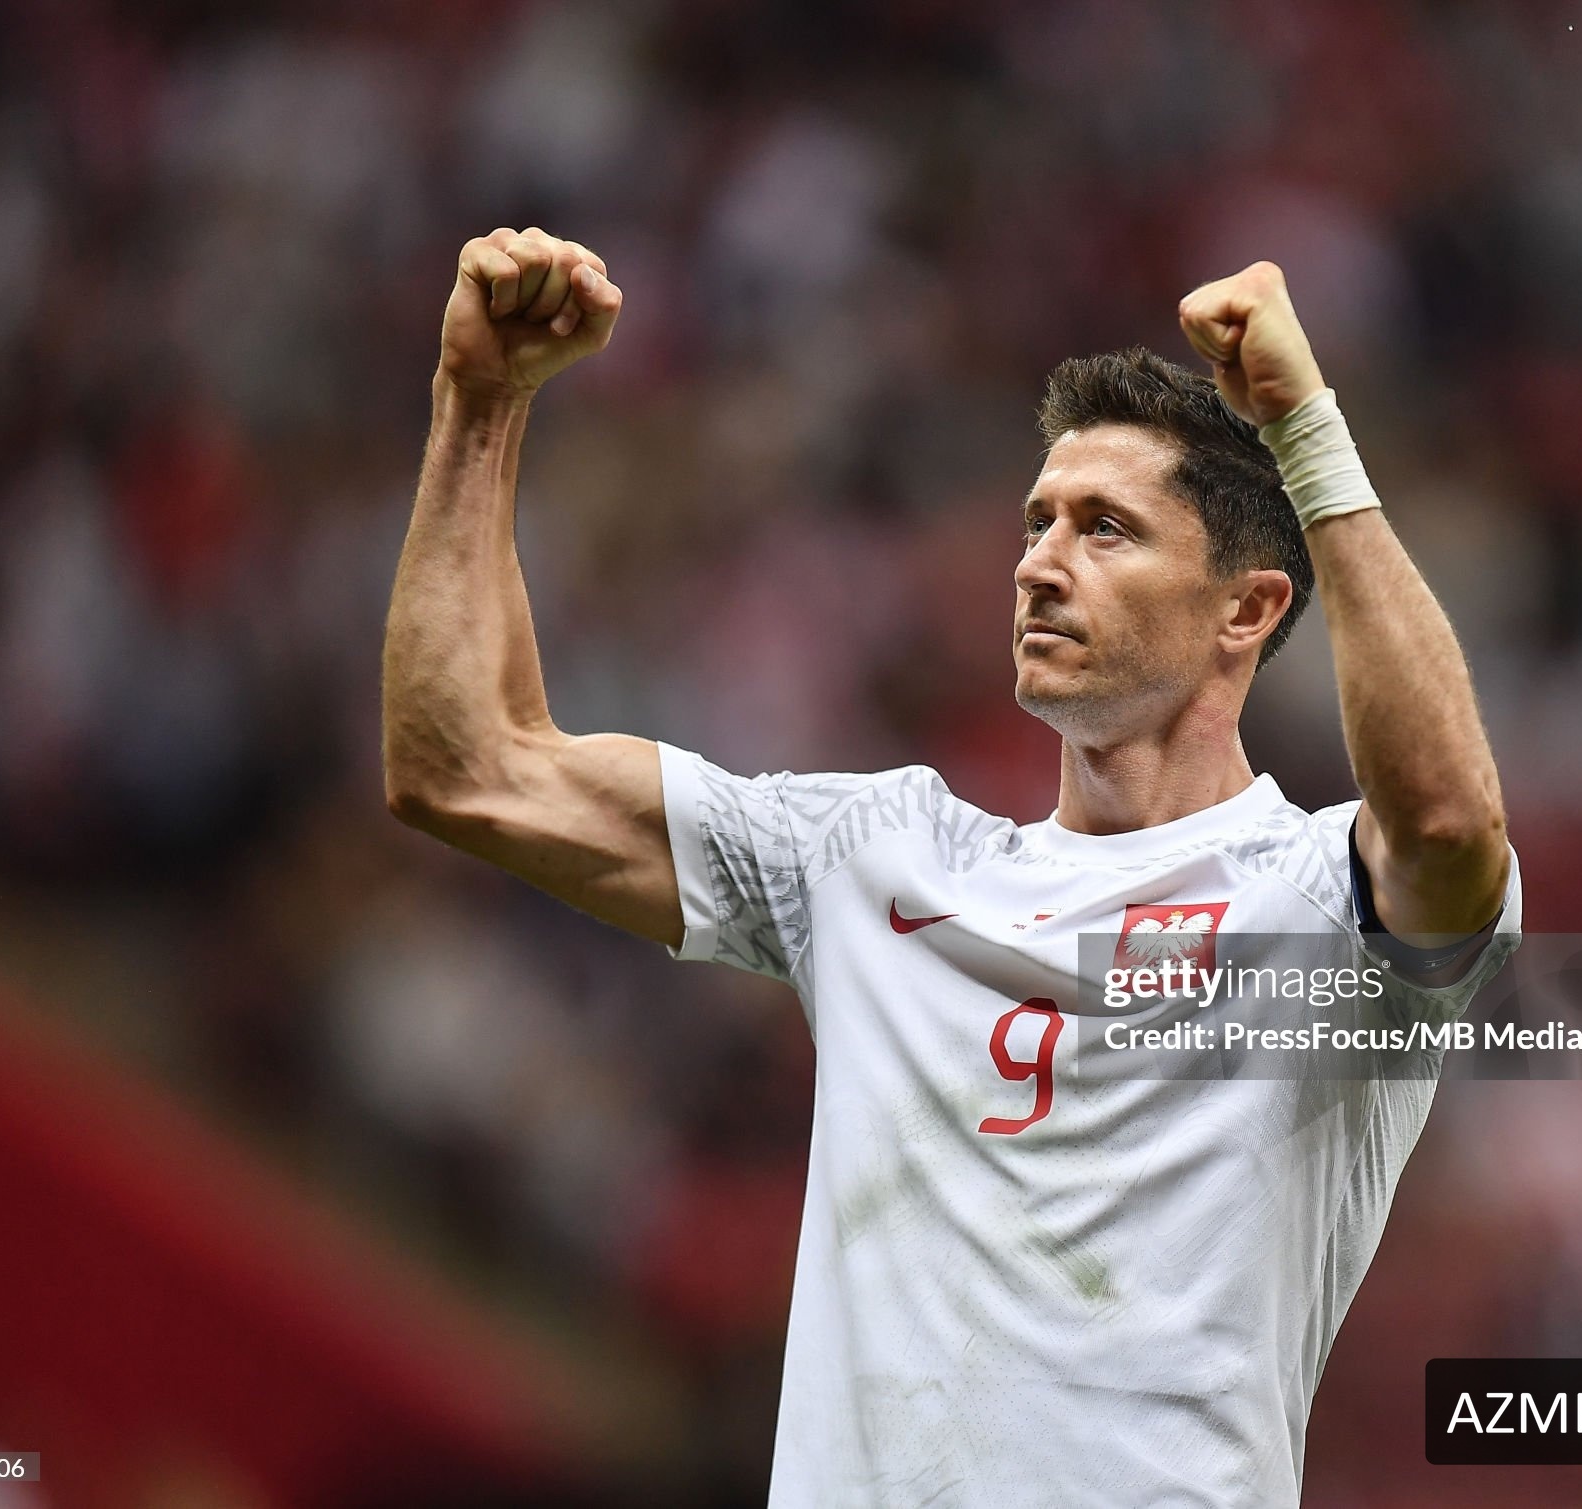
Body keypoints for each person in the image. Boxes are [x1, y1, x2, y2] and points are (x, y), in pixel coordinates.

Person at [382, 226, 1521, 1507]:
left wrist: (1307, 434)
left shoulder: (1316, 910)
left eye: (1105, 529)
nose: (1037, 562)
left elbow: (1443, 825)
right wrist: (477, 402)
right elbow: (465, 769)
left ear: (1245, 610)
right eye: (1037, 522)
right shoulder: (868, 859)